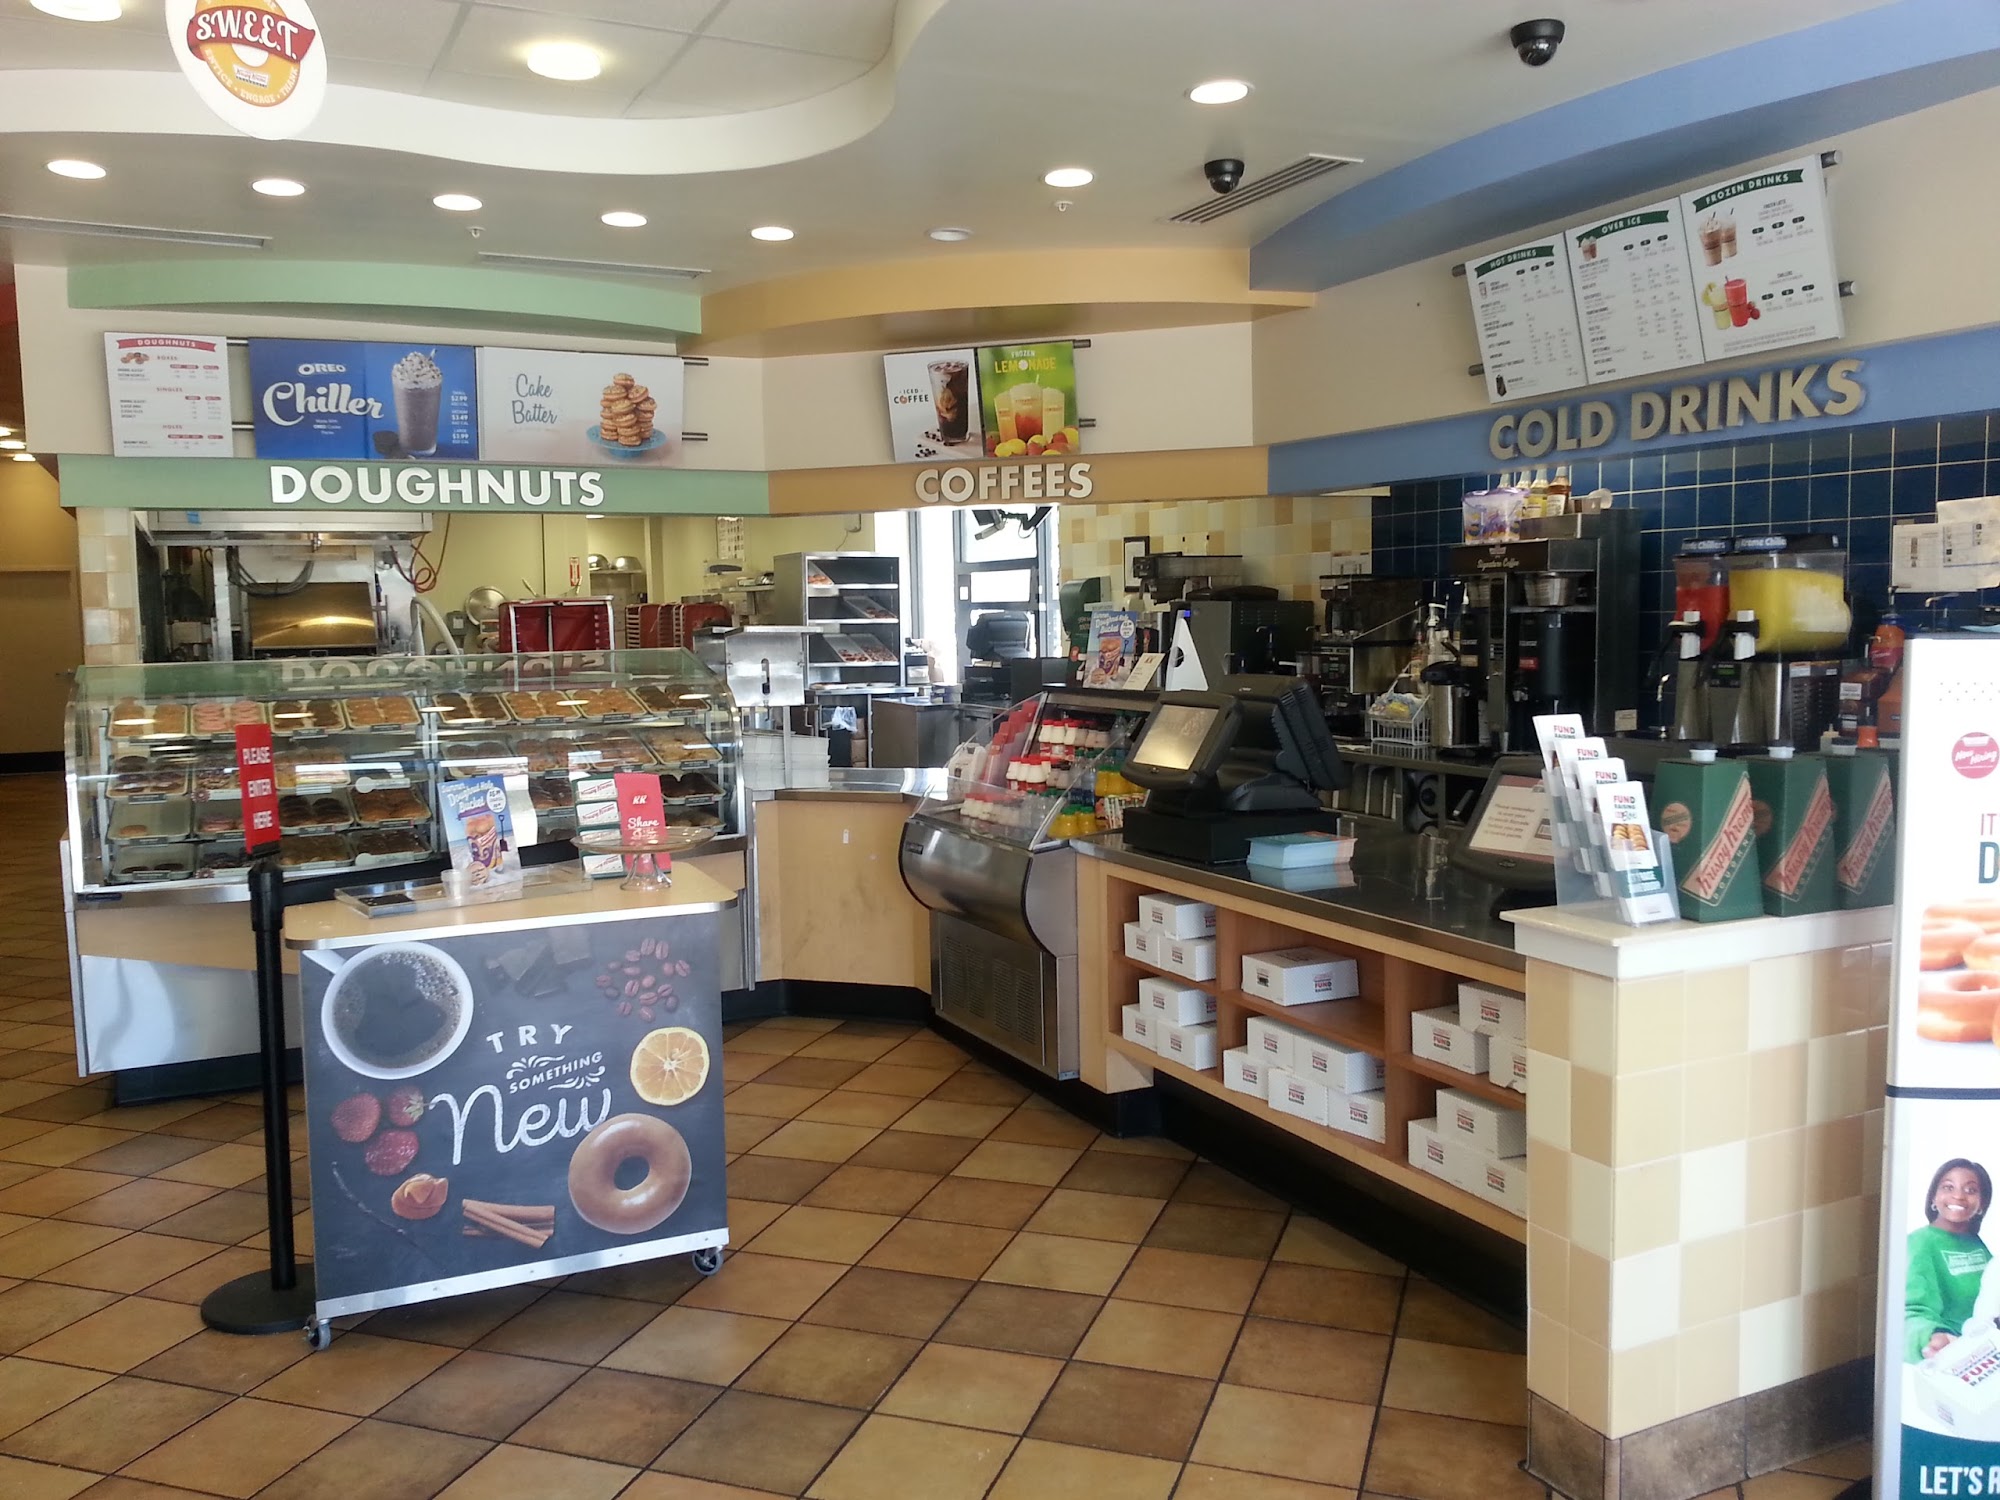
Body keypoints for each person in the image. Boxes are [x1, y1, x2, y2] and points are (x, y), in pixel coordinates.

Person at [1907, 1158, 1994, 1362]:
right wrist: (1932, 1336)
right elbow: (1909, 1310)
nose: (1958, 1196)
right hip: (1948, 1358)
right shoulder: (1919, 1242)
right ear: (1933, 1198)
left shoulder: (1980, 1247)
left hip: (1985, 1357)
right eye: (1948, 1187)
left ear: (1982, 1204)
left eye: (1970, 1190)